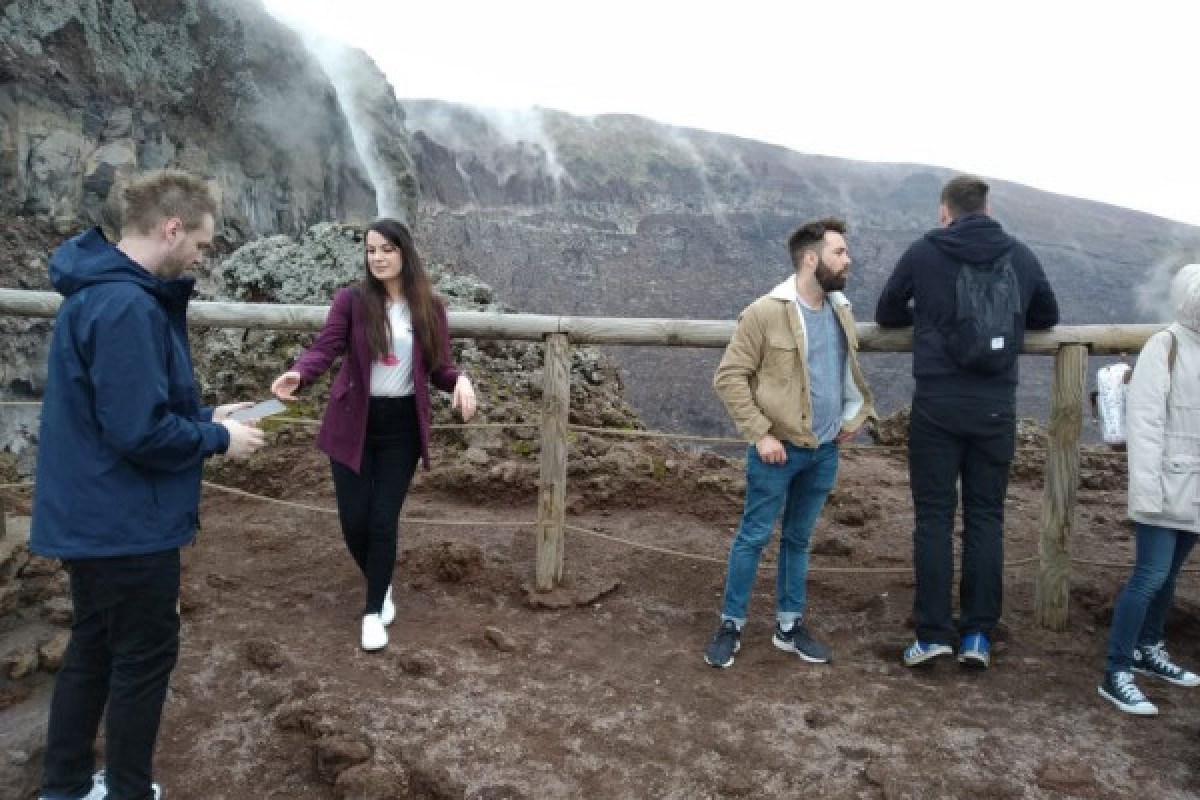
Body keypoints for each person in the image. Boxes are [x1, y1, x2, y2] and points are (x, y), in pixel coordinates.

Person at [31, 170, 265, 800]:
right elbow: (137, 432)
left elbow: (125, 409)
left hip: (93, 513)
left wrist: (207, 416)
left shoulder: (100, 293)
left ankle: (65, 785)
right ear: (171, 228)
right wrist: (218, 439)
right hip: (125, 522)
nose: (202, 257)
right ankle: (128, 789)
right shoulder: (128, 306)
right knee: (142, 657)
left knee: (93, 646)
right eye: (201, 244)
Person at [875, 174, 1059, 669]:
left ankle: (933, 633)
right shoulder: (1019, 255)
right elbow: (1047, 315)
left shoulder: (925, 252)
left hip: (937, 402)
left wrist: (929, 320)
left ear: (945, 211)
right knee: (986, 517)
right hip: (995, 405)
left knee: (934, 517)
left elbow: (887, 310)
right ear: (987, 208)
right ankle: (977, 635)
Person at [271, 218, 477, 652]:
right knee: (354, 521)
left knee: (383, 520)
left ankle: (372, 611)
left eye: (387, 249)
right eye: (371, 250)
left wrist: (460, 380)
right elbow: (326, 348)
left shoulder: (429, 306)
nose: (378, 258)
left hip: (401, 427)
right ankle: (380, 584)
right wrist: (298, 375)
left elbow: (439, 367)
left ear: (405, 252)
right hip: (353, 422)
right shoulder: (351, 300)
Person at [704, 217, 875, 668]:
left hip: (825, 450)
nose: (848, 260)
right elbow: (729, 377)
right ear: (811, 259)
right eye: (839, 252)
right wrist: (760, 434)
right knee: (753, 536)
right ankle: (730, 625)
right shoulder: (765, 312)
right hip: (777, 451)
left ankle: (789, 626)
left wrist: (855, 416)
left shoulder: (841, 310)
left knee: (799, 539)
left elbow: (846, 374)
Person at [1097, 263, 1200, 715]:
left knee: (1169, 576)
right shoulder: (1165, 345)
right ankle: (1116, 670)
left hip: (1194, 488)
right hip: (1164, 484)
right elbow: (1145, 424)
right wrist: (1146, 492)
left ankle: (1147, 648)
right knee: (1149, 577)